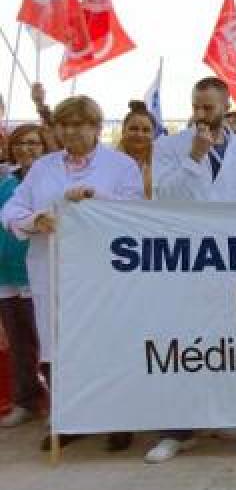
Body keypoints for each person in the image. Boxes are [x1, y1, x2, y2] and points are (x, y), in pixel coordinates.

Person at [1, 96, 144, 452]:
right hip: (52, 268)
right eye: (64, 124)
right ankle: (70, 419)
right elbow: (12, 208)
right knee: (58, 347)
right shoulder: (43, 167)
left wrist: (97, 199)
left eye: (78, 124)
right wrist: (36, 219)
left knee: (106, 343)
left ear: (96, 128)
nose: (70, 131)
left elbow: (135, 212)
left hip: (102, 273)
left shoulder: (122, 165)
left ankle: (117, 419)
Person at [146, 77, 236, 463]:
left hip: (234, 259)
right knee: (183, 343)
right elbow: (165, 197)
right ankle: (177, 431)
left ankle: (221, 413)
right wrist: (196, 157)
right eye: (196, 106)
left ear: (226, 105)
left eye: (208, 107)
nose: (201, 114)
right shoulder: (168, 147)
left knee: (227, 339)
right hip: (186, 259)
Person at [0, 124, 52, 428]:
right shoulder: (6, 182)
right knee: (19, 343)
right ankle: (27, 401)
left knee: (44, 341)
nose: (26, 149)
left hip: (38, 274)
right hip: (7, 276)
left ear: (45, 147)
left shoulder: (49, 180)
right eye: (20, 143)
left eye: (33, 143)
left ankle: (54, 402)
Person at [117, 101, 157, 198]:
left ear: (154, 134)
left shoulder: (163, 162)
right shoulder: (108, 161)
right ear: (123, 131)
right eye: (133, 129)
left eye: (146, 130)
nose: (139, 134)